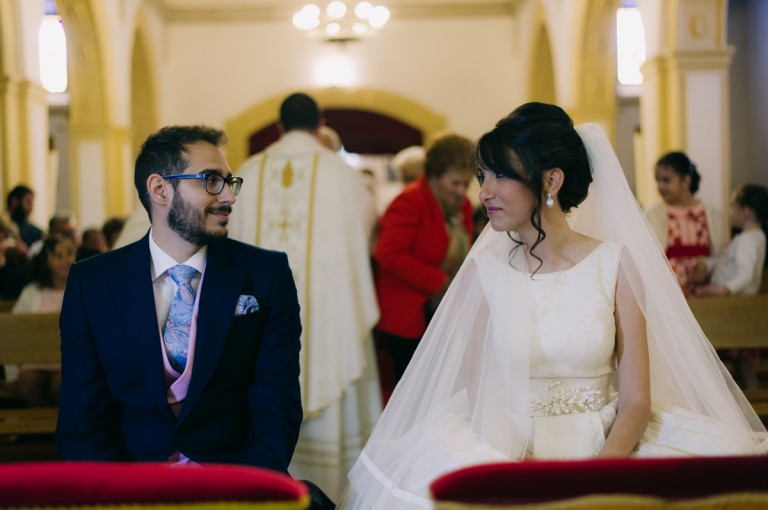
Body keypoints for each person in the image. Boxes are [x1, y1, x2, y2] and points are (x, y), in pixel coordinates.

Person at [340, 103, 767, 509]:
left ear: (551, 180)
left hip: (610, 443)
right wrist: (532, 476)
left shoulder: (615, 264)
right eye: (482, 175)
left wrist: (601, 478)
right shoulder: (482, 273)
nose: (485, 192)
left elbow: (636, 399)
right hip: (506, 446)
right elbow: (482, 393)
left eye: (500, 175)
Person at [55, 125, 334, 508]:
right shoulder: (93, 283)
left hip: (237, 484)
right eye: (212, 181)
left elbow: (276, 408)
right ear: (159, 189)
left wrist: (241, 498)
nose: (230, 196)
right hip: (130, 488)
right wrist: (116, 499)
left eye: (230, 182)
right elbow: (81, 418)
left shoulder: (265, 274)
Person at [228, 92, 381, 502]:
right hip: (332, 315)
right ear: (320, 125)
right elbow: (366, 235)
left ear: (278, 126)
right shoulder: (342, 173)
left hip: (260, 319)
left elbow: (232, 245)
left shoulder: (249, 171)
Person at [373, 132, 474, 384]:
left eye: (466, 183)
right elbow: (388, 253)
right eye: (455, 183)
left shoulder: (462, 206)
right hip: (408, 311)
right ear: (435, 176)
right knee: (413, 388)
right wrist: (439, 282)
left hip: (442, 308)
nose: (461, 191)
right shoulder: (410, 201)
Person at [645, 152, 723, 293]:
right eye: (658, 180)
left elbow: (723, 256)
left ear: (686, 181)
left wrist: (707, 265)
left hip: (705, 295)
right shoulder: (653, 215)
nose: (660, 186)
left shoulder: (712, 214)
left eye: (666, 180)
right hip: (668, 294)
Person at [12, 235, 75, 406]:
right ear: (46, 261)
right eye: (57, 256)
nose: (65, 260)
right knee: (29, 382)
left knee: (62, 385)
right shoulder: (32, 291)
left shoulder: (83, 288)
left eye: (69, 254)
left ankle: (64, 428)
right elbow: (15, 329)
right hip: (35, 359)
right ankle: (39, 430)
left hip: (69, 359)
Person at [691, 183, 768, 297]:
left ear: (745, 212)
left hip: (732, 298)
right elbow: (729, 261)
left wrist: (725, 289)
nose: (730, 211)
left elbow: (746, 274)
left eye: (733, 206)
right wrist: (707, 263)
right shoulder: (756, 236)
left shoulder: (746, 240)